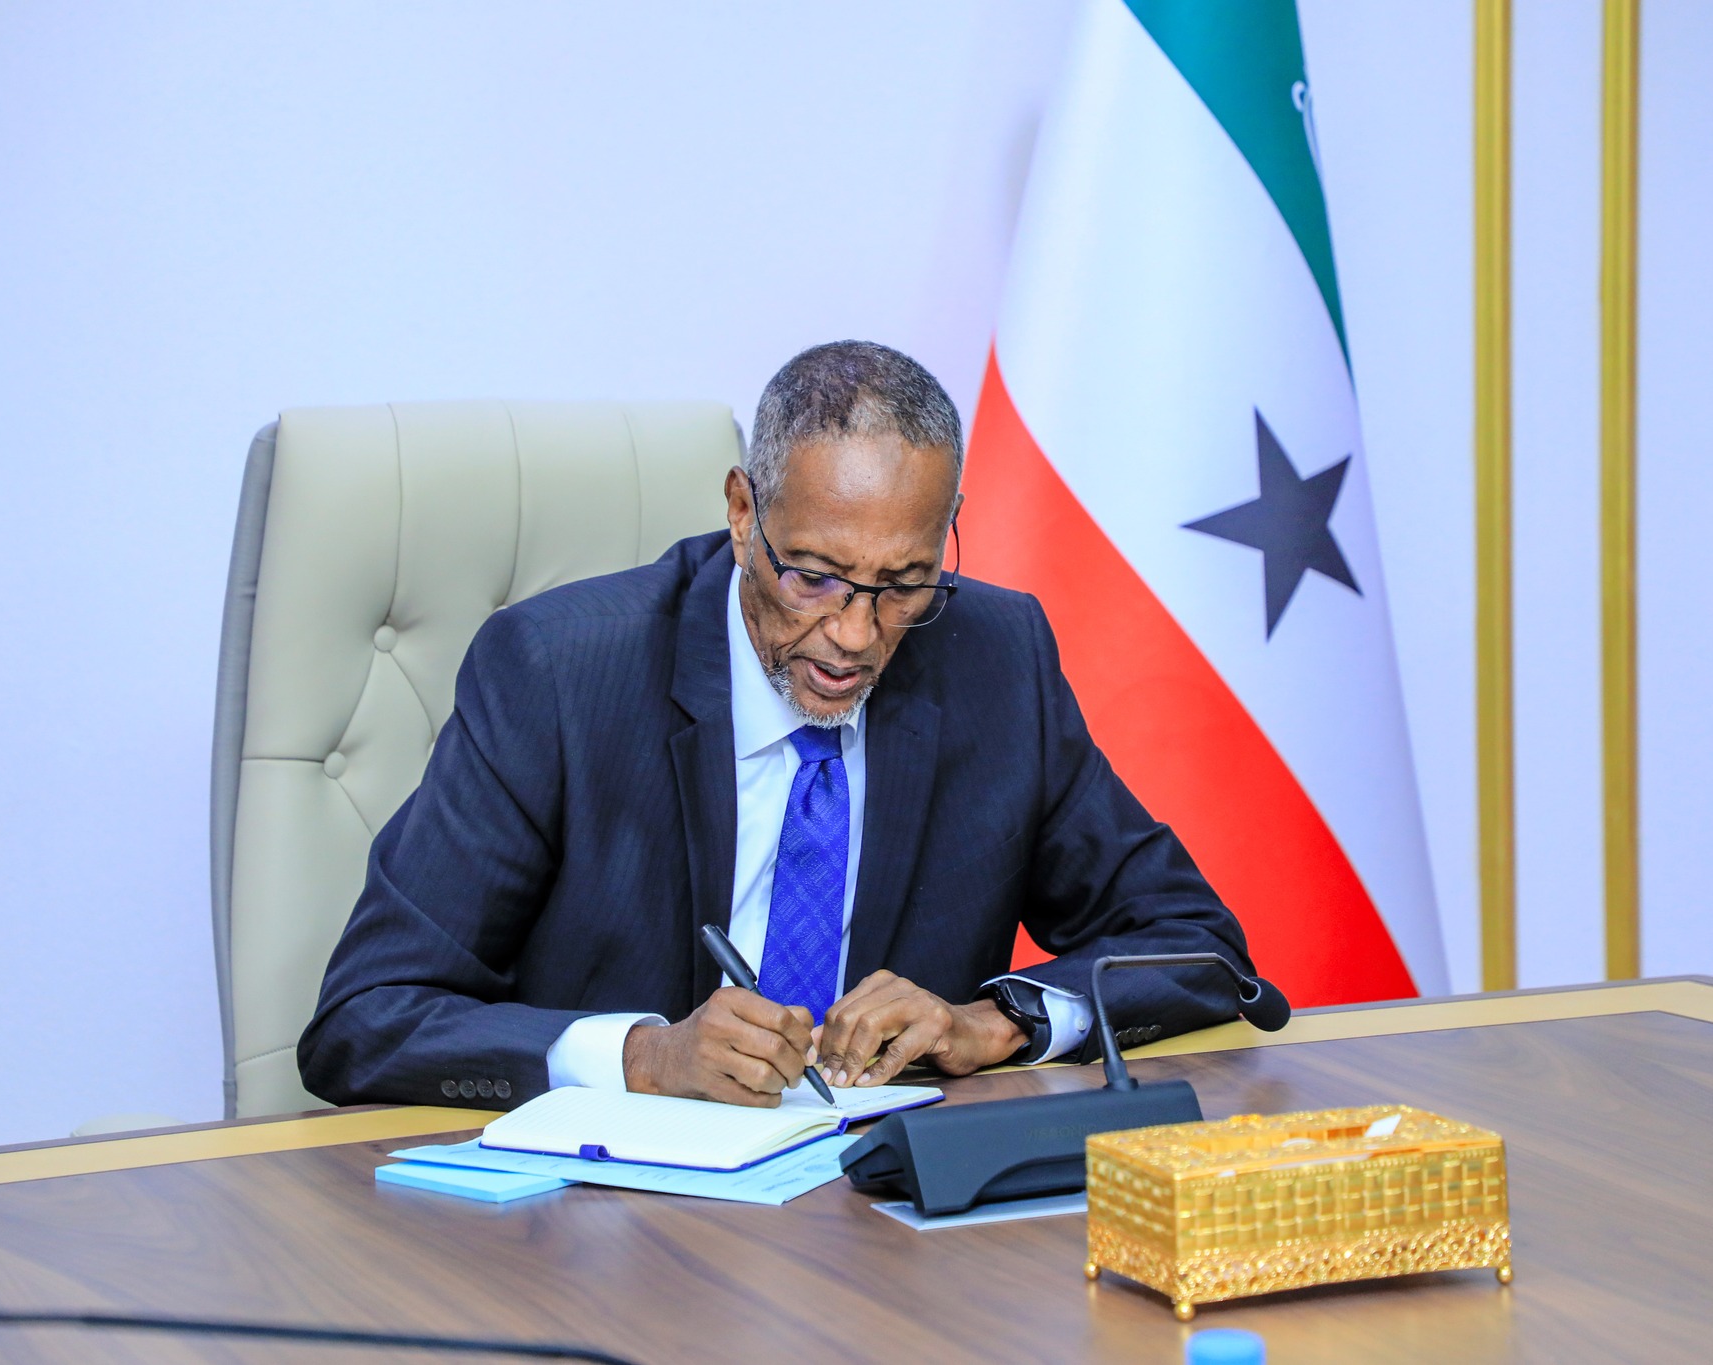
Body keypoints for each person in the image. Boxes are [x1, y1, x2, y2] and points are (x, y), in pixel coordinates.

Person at [299, 341, 1257, 1110]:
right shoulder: (556, 674)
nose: (853, 635)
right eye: (813, 576)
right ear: (741, 511)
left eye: (903, 584)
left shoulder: (994, 661)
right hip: (611, 1230)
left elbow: (1197, 945)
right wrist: (644, 1056)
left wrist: (995, 1021)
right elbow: (364, 1018)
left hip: (888, 1223)